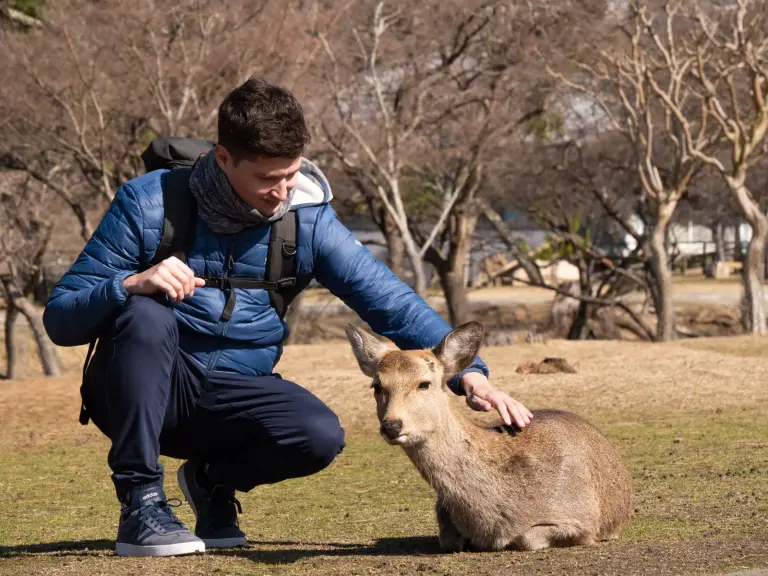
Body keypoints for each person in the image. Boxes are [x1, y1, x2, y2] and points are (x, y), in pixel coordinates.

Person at [43, 77, 533, 557]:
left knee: (317, 436)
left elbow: (389, 301)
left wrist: (468, 374)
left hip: (234, 392)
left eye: (291, 174)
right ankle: (142, 503)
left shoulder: (307, 220)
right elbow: (61, 318)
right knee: (145, 315)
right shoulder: (150, 203)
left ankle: (213, 481)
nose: (282, 192)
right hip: (142, 389)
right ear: (223, 158)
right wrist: (130, 283)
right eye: (267, 178)